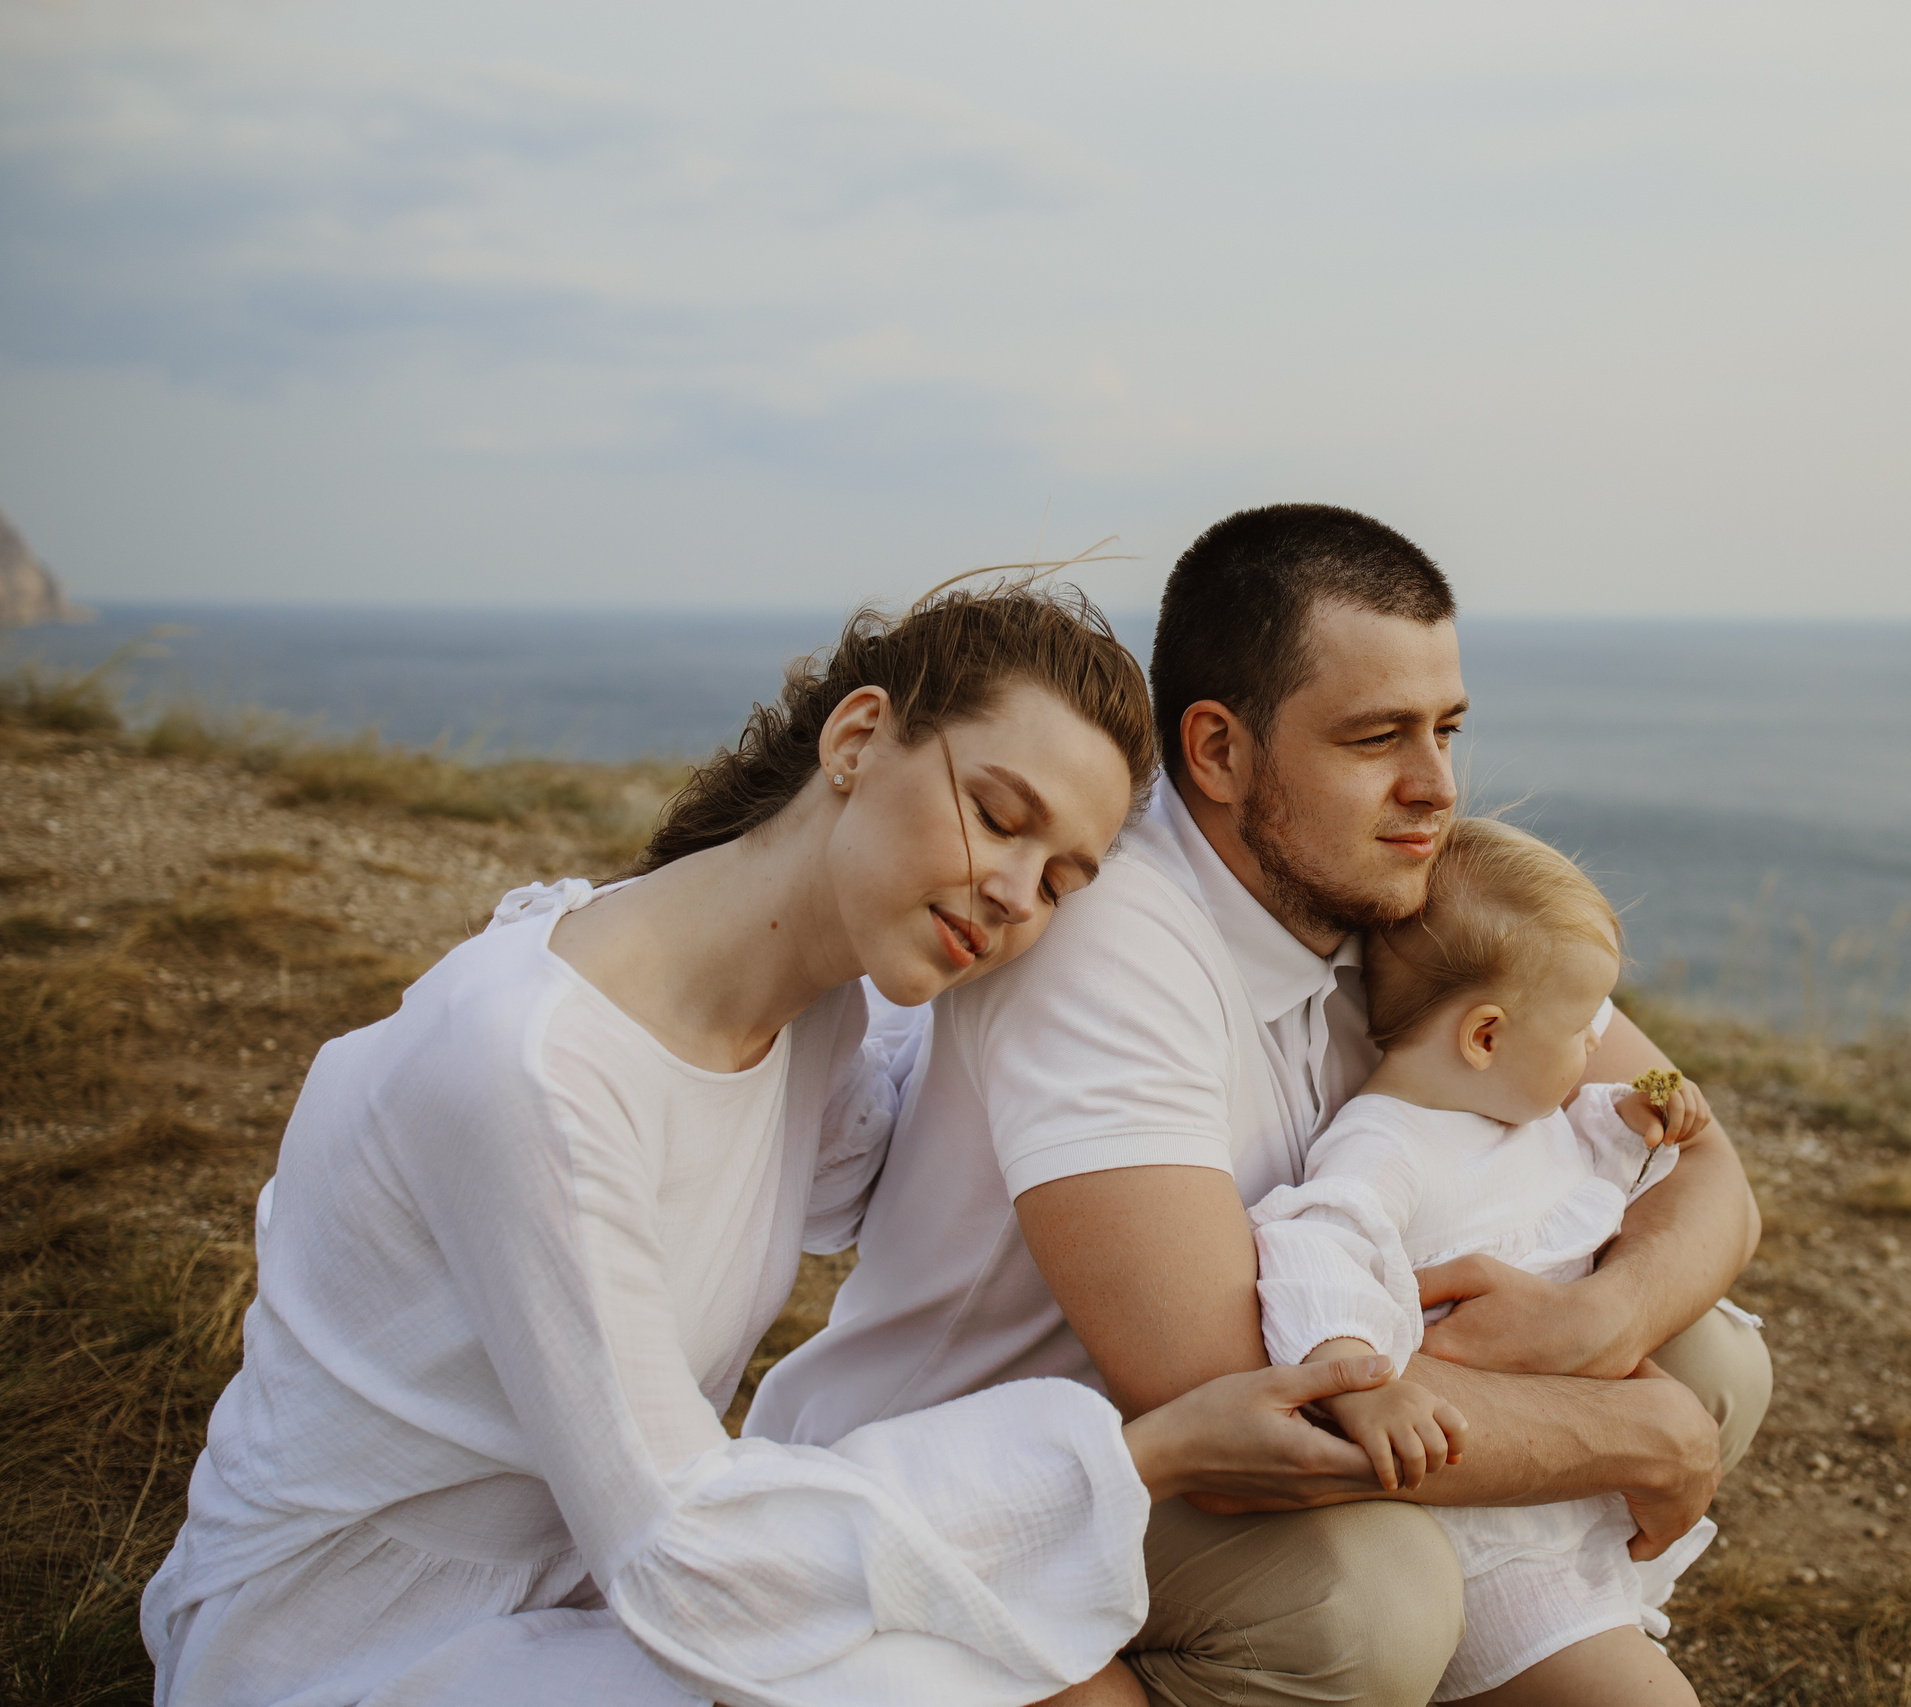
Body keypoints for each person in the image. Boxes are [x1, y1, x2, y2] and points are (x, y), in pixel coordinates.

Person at [140, 580, 1418, 1707]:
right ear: (858, 737)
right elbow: (683, 1553)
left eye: (1065, 879)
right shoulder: (528, 1068)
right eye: (997, 812)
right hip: (366, 1649)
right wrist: (1150, 1452)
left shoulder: (819, 1011)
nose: (1014, 894)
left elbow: (939, 1140)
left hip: (595, 1580)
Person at [748, 507, 1770, 1707]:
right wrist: (1629, 1432)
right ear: (1221, 753)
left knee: (1705, 1351)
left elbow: (1702, 1160)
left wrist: (1602, 1321)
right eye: (1375, 737)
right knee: (1364, 1602)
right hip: (1006, 1463)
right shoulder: (1112, 938)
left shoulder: (1406, 887)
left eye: (1446, 731)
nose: (1432, 790)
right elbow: (1231, 1403)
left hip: (1289, 1409)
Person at [1253, 815, 1762, 1705]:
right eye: (1578, 1034)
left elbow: (1572, 1167)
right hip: (1487, 1531)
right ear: (1485, 1036)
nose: (1592, 1055)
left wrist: (1640, 1120)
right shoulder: (1387, 1142)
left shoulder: (1512, 1111)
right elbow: (1314, 1241)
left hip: (1561, 1493)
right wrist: (1354, 1371)